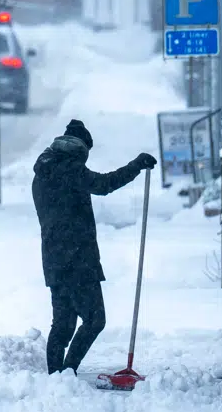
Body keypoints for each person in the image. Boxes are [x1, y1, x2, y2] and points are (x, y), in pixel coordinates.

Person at [32, 119, 157, 375]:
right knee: (94, 319)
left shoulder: (43, 172)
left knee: (63, 325)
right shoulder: (71, 170)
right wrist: (136, 166)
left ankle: (56, 377)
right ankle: (66, 372)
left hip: (54, 258)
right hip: (78, 259)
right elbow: (104, 184)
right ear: (80, 149)